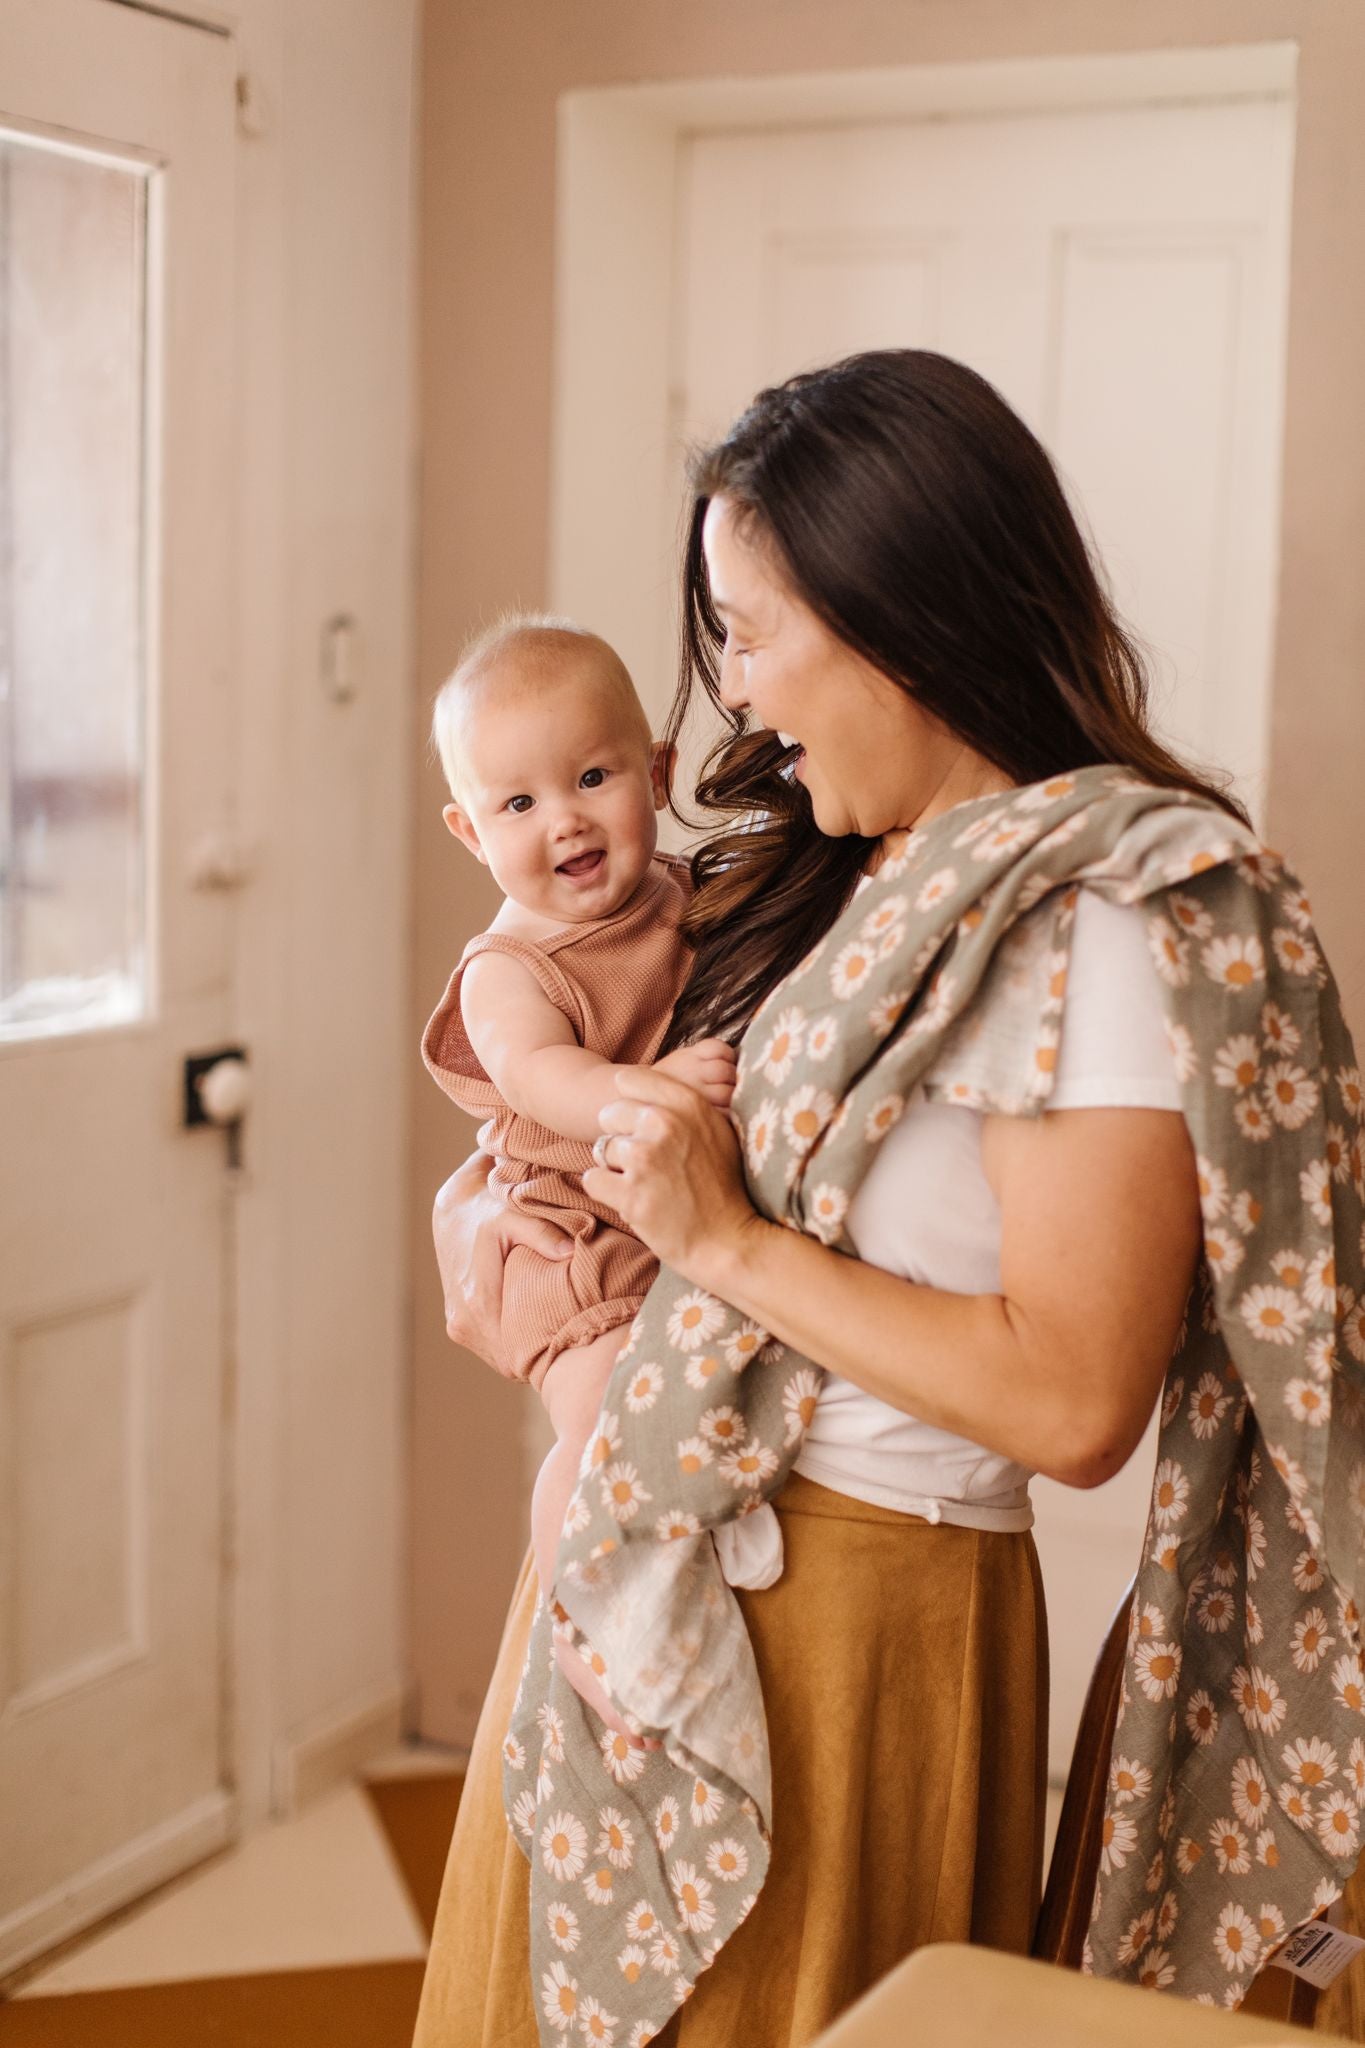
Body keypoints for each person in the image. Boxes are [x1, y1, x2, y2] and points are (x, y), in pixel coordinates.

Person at [412, 352, 1365, 2048]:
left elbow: (1074, 1398)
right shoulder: (842, 877)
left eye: (752, 631)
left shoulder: (1099, 921)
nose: (737, 697)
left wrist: (723, 1242)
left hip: (851, 1625)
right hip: (656, 1573)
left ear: (898, 614)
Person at [423, 615, 737, 1733]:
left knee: (685, 1408)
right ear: (471, 830)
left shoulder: (684, 891)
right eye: (517, 804)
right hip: (567, 1242)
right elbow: (544, 1076)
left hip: (649, 1214)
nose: (563, 820)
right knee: (601, 1417)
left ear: (654, 772)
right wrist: (652, 1092)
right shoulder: (508, 967)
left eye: (593, 775)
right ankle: (584, 1614)